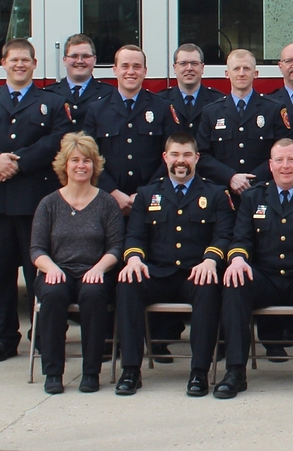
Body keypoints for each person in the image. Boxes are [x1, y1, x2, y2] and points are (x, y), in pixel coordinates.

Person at [0, 38, 72, 363]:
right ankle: (3, 338)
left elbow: (58, 140)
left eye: (26, 60)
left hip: (34, 204)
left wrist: (18, 162)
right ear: (3, 63)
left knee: (37, 275)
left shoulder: (51, 102)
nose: (20, 65)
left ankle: (43, 337)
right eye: (14, 60)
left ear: (35, 64)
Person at [113, 133, 232, 397]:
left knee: (209, 287)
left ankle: (199, 371)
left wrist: (211, 261)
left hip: (195, 273)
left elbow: (223, 235)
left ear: (197, 158)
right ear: (165, 158)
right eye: (175, 155)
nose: (181, 161)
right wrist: (133, 258)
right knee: (127, 283)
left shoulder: (215, 194)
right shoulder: (147, 194)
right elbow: (135, 236)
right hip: (157, 273)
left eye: (187, 155)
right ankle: (131, 369)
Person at [218, 139, 293, 399]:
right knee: (234, 281)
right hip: (265, 276)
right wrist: (237, 259)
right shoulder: (253, 196)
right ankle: (235, 371)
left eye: (292, 160)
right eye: (280, 161)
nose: (286, 166)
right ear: (270, 166)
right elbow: (241, 238)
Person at [29, 133, 124, 394]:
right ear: (64, 165)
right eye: (75, 160)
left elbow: (116, 246)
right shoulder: (49, 204)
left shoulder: (106, 203)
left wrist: (99, 268)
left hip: (94, 271)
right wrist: (51, 268)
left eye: (87, 160)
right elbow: (36, 248)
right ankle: (53, 373)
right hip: (56, 271)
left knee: (93, 295)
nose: (81, 166)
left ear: (95, 166)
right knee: (53, 294)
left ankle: (91, 372)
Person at [84, 45, 175, 213]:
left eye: (137, 67)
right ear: (115, 70)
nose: (131, 72)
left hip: (153, 201)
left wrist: (146, 193)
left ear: (145, 71)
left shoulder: (162, 108)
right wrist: (112, 192)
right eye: (125, 66)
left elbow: (171, 155)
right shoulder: (96, 110)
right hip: (107, 200)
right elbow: (89, 156)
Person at [193, 49, 287, 193]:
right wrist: (230, 177)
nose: (241, 73)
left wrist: (253, 179)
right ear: (227, 74)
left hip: (263, 191)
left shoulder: (273, 109)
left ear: (255, 74)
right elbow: (201, 155)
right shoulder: (211, 112)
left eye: (247, 68)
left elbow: (283, 153)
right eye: (236, 68)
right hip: (223, 193)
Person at [45, 34, 114, 129]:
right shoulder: (49, 94)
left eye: (85, 56)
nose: (80, 61)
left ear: (94, 60)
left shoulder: (110, 94)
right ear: (64, 60)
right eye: (74, 56)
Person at [167, 43, 225, 127]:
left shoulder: (218, 101)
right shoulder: (162, 101)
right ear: (175, 68)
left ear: (202, 68)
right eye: (183, 63)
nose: (189, 68)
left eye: (194, 63)